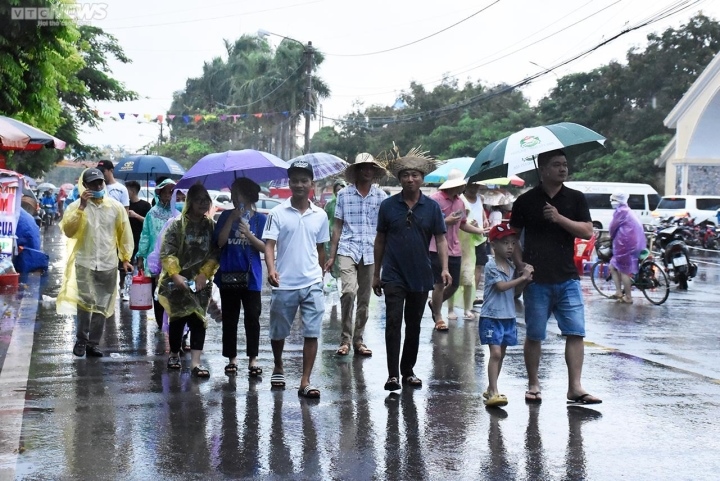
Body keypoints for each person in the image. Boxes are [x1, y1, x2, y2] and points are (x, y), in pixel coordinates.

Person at [510, 149, 602, 405]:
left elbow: (586, 231)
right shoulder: (525, 201)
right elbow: (512, 237)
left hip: (567, 277)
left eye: (565, 164)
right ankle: (533, 384)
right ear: (543, 169)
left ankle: (575, 387)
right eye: (556, 165)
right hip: (536, 280)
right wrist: (521, 265)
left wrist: (559, 218)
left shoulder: (575, 198)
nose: (563, 169)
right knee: (535, 334)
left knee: (575, 332)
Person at [372, 147, 448, 391]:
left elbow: (442, 238)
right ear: (399, 179)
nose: (410, 179)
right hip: (393, 273)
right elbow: (380, 239)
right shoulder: (388, 206)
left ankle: (408, 371)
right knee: (393, 321)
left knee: (414, 324)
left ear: (422, 179)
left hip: (421, 273)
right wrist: (376, 274)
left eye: (415, 175)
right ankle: (392, 374)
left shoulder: (432, 207)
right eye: (405, 175)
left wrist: (445, 268)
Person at [263, 159, 329, 399]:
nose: (299, 184)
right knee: (278, 332)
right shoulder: (277, 213)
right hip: (285, 283)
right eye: (295, 180)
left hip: (312, 282)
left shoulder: (320, 215)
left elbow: (321, 248)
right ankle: (279, 365)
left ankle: (305, 380)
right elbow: (269, 245)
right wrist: (271, 269)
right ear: (289, 183)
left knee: (312, 332)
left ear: (311, 183)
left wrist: (321, 275)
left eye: (304, 180)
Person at [57, 168, 133, 358]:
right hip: (85, 261)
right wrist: (82, 207)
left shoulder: (115, 207)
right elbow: (69, 230)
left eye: (100, 183)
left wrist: (125, 258)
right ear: (85, 186)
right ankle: (81, 340)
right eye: (93, 184)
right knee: (85, 302)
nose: (98, 186)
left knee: (102, 304)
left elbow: (124, 233)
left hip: (108, 263)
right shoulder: (75, 207)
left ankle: (93, 343)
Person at [325, 152, 387, 357]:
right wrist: (332, 256)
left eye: (370, 167)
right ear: (357, 171)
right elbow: (337, 227)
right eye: (363, 167)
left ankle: (358, 339)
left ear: (374, 171)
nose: (367, 171)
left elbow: (384, 229)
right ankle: (345, 339)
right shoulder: (344, 195)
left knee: (364, 299)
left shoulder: (380, 197)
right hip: (347, 249)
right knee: (348, 292)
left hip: (370, 251)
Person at [158, 184, 219, 377]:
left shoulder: (211, 226)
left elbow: (216, 252)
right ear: (190, 201)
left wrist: (204, 274)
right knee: (178, 320)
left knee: (198, 321)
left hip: (201, 282)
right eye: (199, 199)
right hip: (177, 283)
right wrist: (176, 275)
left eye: (206, 200)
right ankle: (174, 353)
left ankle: (195, 363)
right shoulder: (177, 225)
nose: (203, 203)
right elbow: (167, 252)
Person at [214, 178, 267, 376]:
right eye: (234, 194)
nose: (236, 198)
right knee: (230, 318)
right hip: (228, 274)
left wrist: (249, 235)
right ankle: (232, 358)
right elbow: (219, 243)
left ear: (250, 196)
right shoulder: (226, 216)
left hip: (251, 277)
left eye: (240, 194)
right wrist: (231, 220)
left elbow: (266, 248)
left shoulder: (260, 220)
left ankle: (253, 359)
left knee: (252, 318)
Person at [479, 223, 534, 407]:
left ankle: (491, 387)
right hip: (492, 316)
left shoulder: (511, 266)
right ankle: (493, 391)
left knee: (500, 354)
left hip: (507, 316)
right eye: (505, 243)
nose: (510, 247)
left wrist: (525, 281)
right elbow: (501, 287)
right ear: (493, 245)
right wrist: (522, 278)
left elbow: (514, 291)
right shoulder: (491, 265)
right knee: (495, 353)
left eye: (512, 243)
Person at [427, 169, 487, 331]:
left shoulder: (460, 202)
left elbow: (463, 224)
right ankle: (438, 316)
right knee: (439, 283)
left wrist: (481, 231)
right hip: (436, 248)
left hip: (455, 248)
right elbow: (426, 223)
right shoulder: (435, 200)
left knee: (454, 284)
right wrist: (446, 220)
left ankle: (434, 304)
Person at [137, 179, 180, 331]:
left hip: (175, 262)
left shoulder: (178, 213)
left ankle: (177, 329)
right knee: (158, 295)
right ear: (160, 193)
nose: (170, 194)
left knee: (175, 295)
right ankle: (162, 325)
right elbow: (146, 235)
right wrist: (140, 256)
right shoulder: (151, 213)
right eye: (167, 190)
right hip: (155, 263)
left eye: (172, 191)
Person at [608, 192, 647, 304]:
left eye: (614, 200)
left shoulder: (621, 211)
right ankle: (618, 292)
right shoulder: (628, 211)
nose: (612, 203)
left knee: (623, 270)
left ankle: (628, 297)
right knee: (613, 265)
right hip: (634, 244)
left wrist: (611, 236)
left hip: (624, 244)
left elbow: (612, 227)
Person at [119, 180, 151, 299]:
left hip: (140, 240)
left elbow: (149, 222)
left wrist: (136, 216)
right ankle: (123, 289)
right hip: (126, 241)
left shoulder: (145, 205)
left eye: (126, 190)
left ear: (132, 191)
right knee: (125, 266)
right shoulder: (124, 206)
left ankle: (140, 289)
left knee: (140, 266)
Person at [323, 178, 347, 283]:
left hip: (346, 237)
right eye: (337, 190)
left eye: (341, 189)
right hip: (332, 237)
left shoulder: (349, 204)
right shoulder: (330, 204)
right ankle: (335, 281)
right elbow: (324, 219)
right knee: (333, 260)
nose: (339, 192)